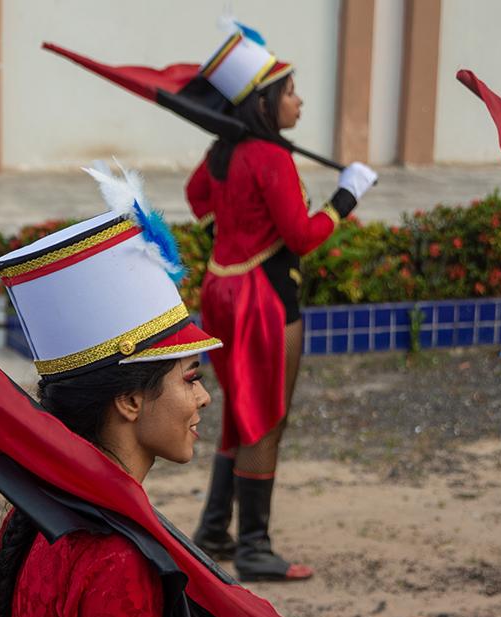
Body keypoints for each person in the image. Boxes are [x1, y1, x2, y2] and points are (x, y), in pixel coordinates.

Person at [0, 165, 382, 617]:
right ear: (128, 401)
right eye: (190, 378)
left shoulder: (43, 507)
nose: (205, 398)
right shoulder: (118, 560)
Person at [184, 20, 377, 581]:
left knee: (241, 413)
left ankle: (216, 531)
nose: (299, 100)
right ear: (264, 103)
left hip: (222, 288)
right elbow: (303, 236)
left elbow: (198, 201)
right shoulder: (269, 157)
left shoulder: (226, 148)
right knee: (265, 418)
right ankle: (255, 547)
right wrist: (346, 196)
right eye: (289, 91)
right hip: (262, 299)